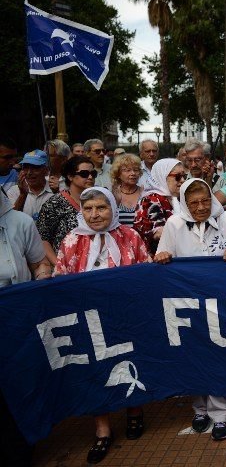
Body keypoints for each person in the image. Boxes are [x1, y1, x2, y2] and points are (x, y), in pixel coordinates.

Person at [53, 187, 150, 464]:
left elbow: (146, 273)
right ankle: (102, 429)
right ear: (81, 212)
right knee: (95, 368)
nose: (95, 214)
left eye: (101, 207)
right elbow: (62, 280)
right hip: (89, 319)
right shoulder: (72, 241)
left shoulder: (130, 237)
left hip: (126, 315)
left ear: (112, 208)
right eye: (88, 209)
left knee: (131, 361)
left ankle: (134, 411)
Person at [154, 178, 226, 441]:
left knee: (217, 354)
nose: (201, 207)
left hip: (219, 300)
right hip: (185, 301)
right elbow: (163, 254)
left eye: (205, 200)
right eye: (194, 203)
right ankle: (200, 408)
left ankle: (221, 413)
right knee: (193, 354)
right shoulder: (174, 223)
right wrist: (163, 256)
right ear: (184, 203)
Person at [0, 184, 51, 467]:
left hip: (16, 316)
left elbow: (37, 263)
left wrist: (43, 281)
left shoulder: (20, 222)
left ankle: (21, 446)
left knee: (19, 381)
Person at [37, 155, 96, 265]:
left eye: (93, 173)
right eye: (84, 174)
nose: (90, 177)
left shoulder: (99, 200)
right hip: (66, 267)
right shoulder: (55, 203)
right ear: (70, 176)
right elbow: (42, 239)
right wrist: (59, 265)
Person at [133, 158, 186, 255]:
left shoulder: (177, 198)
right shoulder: (151, 200)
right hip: (156, 259)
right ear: (162, 176)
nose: (182, 180)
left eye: (184, 176)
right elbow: (159, 233)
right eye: (177, 176)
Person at [6, 149, 54, 221]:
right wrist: (22, 196)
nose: (29, 173)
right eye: (25, 168)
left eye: (35, 168)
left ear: (46, 170)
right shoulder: (14, 191)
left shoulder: (54, 191)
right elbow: (11, 221)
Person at [111, 153, 143, 226]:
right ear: (118, 174)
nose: (133, 173)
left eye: (136, 170)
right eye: (128, 170)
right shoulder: (112, 194)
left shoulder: (145, 193)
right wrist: (116, 202)